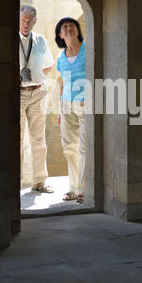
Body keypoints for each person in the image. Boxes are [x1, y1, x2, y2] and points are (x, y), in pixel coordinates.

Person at [19, 4, 54, 193]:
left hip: (38, 91)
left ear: (35, 21)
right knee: (16, 138)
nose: (25, 24)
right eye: (23, 20)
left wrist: (37, 78)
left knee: (38, 139)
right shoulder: (11, 37)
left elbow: (48, 66)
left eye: (29, 21)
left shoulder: (40, 40)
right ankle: (13, 182)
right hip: (17, 93)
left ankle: (39, 181)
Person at [55, 17, 86, 204]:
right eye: (64, 27)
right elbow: (63, 82)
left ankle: (84, 189)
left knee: (84, 147)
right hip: (66, 104)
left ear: (77, 30)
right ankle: (73, 189)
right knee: (69, 147)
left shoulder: (88, 49)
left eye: (71, 26)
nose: (68, 29)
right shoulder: (61, 57)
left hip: (87, 104)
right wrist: (60, 110)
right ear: (60, 34)